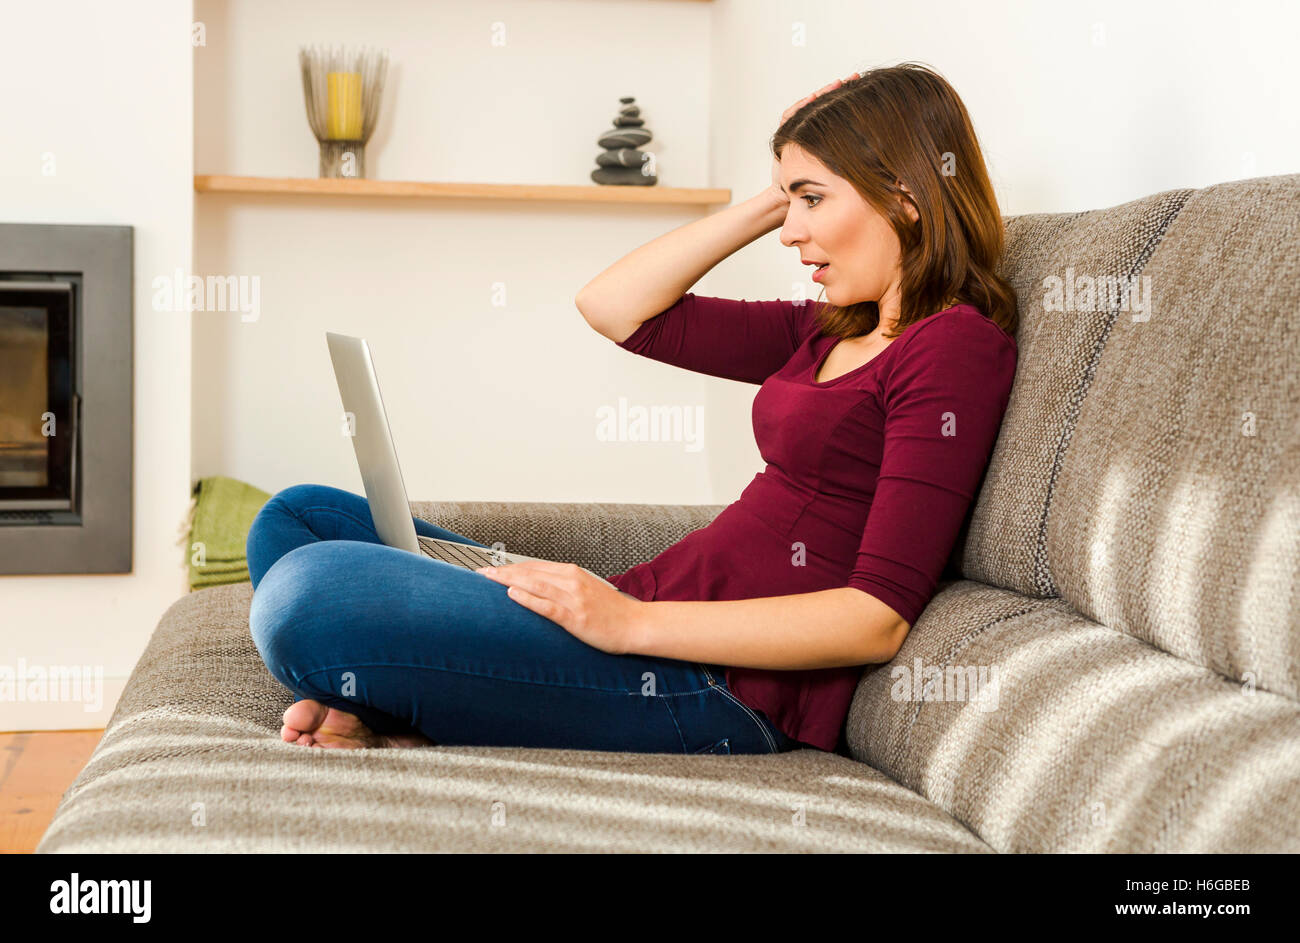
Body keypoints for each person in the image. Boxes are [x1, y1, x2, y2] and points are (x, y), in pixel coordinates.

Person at [247, 61, 1018, 755]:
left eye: (813, 199)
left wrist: (628, 625)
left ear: (907, 197)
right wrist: (775, 191)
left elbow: (873, 617)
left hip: (709, 684)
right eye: (789, 201)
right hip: (632, 616)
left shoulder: (952, 347)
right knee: (298, 517)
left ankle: (389, 693)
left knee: (307, 595)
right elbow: (615, 308)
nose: (791, 230)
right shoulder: (825, 327)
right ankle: (392, 695)